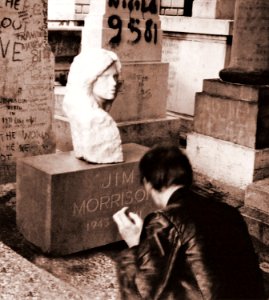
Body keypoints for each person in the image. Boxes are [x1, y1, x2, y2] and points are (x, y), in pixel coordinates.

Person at [113, 144, 266, 299]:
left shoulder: (164, 220)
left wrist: (134, 245)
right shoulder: (229, 212)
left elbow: (143, 292)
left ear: (147, 183)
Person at [63, 48, 123, 164]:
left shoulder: (91, 115)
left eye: (115, 77)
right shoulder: (95, 120)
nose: (113, 83)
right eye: (105, 77)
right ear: (89, 80)